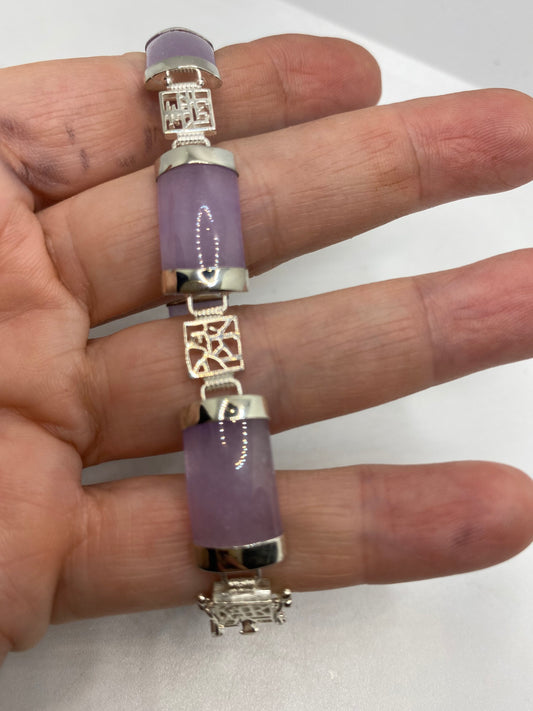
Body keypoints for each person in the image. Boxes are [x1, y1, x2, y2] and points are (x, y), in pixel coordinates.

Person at [0, 33, 532, 662]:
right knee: (219, 401)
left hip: (205, 307)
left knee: (220, 402)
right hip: (203, 305)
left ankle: (239, 562)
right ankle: (238, 562)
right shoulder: (191, 173)